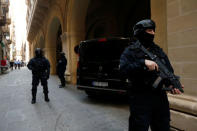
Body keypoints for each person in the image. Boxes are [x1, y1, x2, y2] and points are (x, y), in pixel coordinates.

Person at [120, 19, 184, 131]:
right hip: (140, 98)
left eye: (154, 31)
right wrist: (143, 63)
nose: (153, 33)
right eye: (149, 30)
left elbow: (169, 70)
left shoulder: (158, 51)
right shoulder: (130, 51)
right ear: (140, 32)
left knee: (163, 127)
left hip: (160, 99)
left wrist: (171, 85)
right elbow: (123, 69)